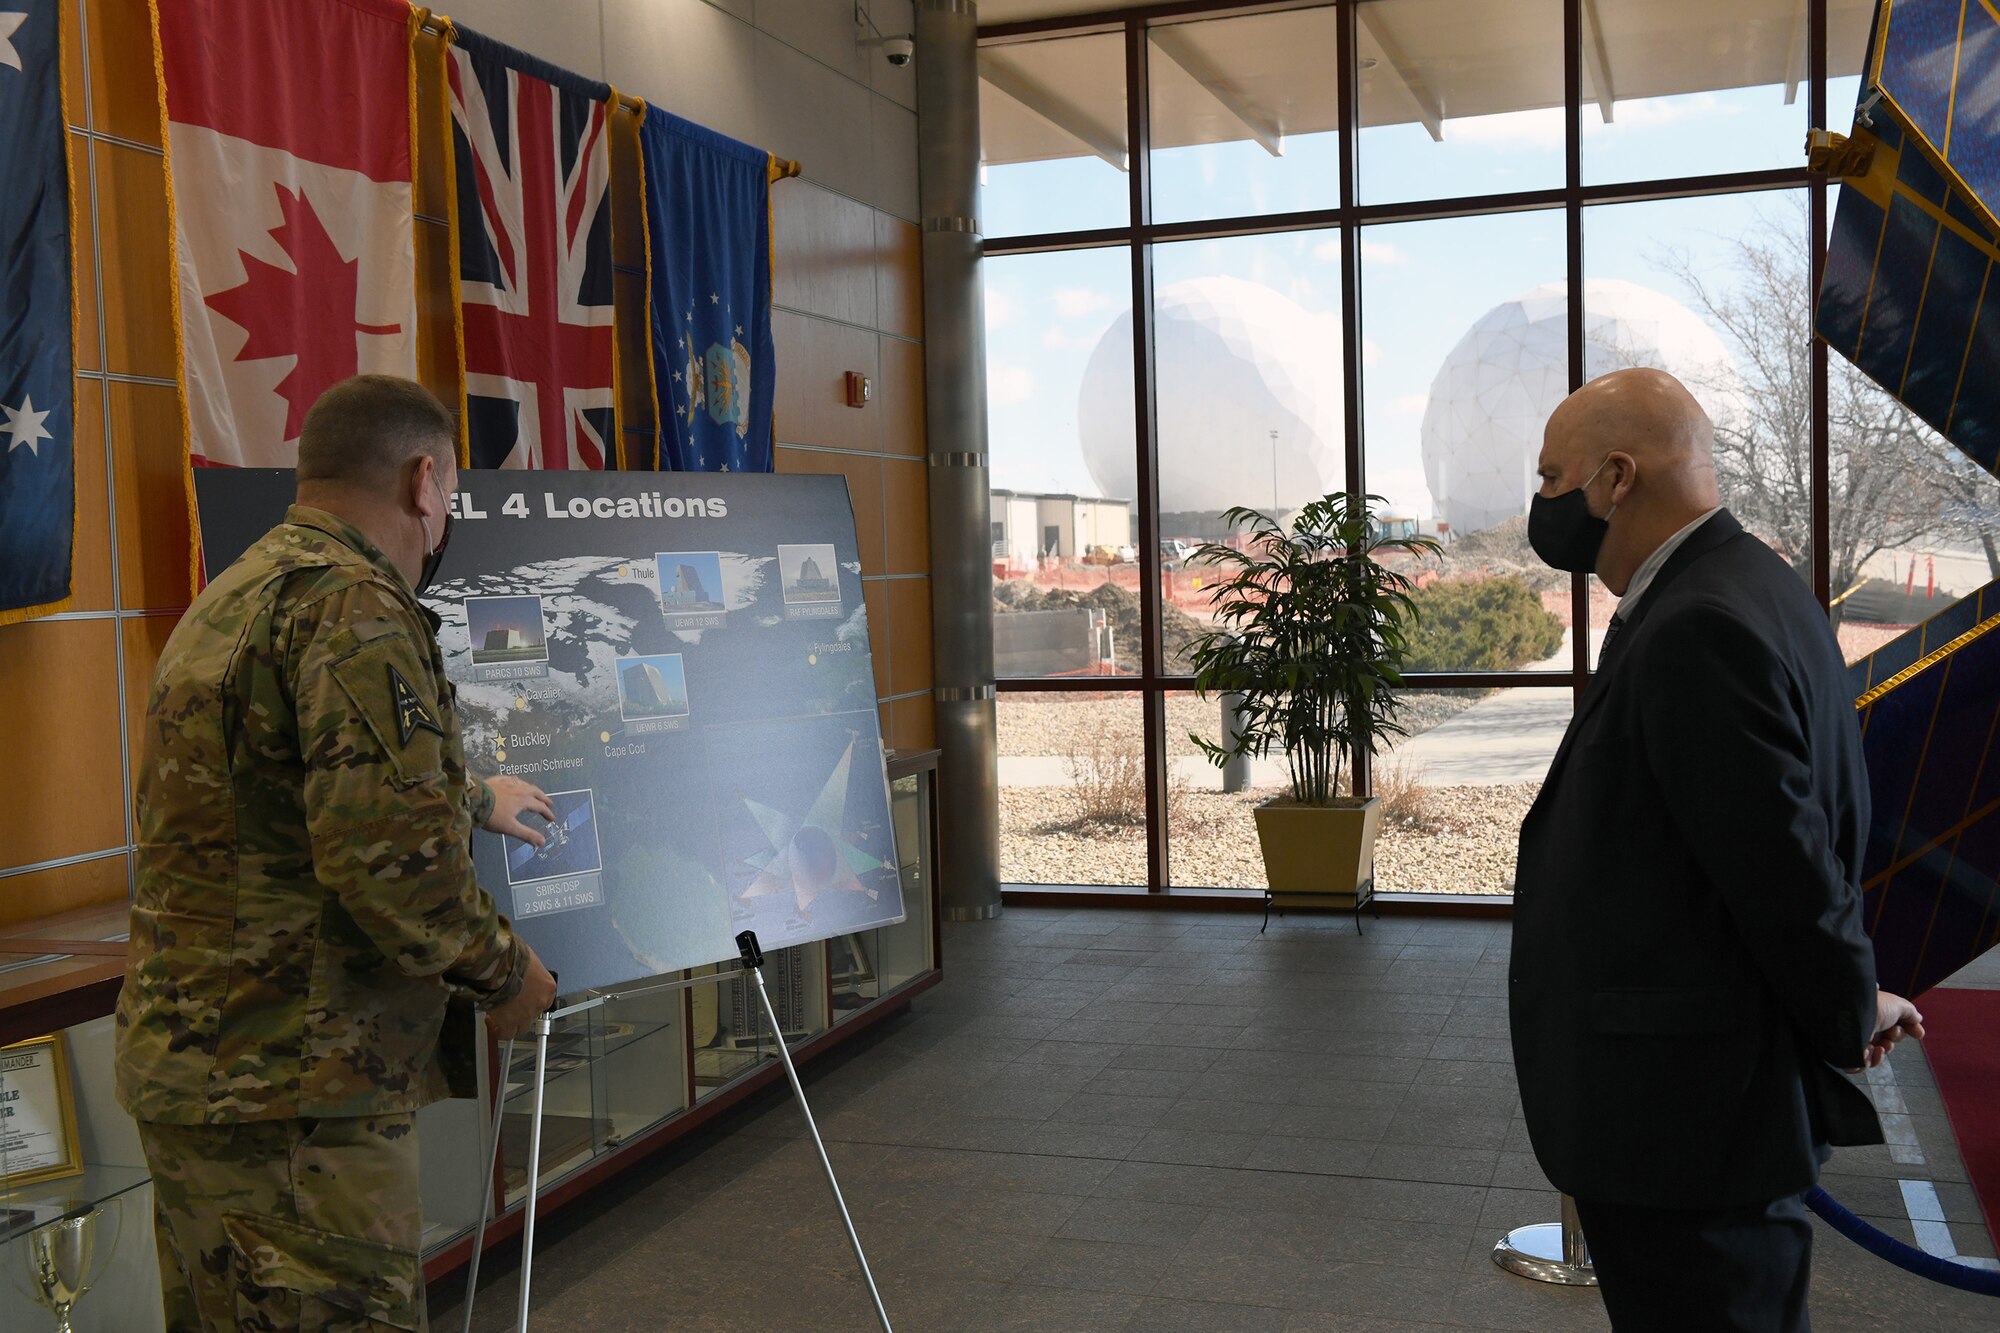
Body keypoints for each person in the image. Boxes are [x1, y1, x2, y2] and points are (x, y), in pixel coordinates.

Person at [114, 374, 559, 1331]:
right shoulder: (356, 603)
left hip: (210, 1075)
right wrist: (504, 971)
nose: (447, 515)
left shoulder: (240, 591)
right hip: (293, 1096)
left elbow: (282, 786)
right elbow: (388, 863)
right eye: (451, 493)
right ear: (422, 479)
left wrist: (474, 795)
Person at [1509, 368, 1926, 1332]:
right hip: (1705, 1114)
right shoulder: (1755, 586)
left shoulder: (1697, 624)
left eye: (1551, 475)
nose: (1542, 501)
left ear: (1616, 478)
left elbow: (1782, 870)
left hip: (1685, 1132)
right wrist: (1853, 993)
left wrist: (1845, 999)